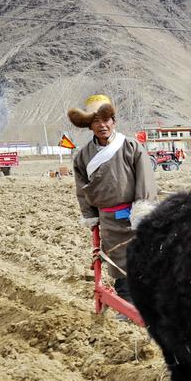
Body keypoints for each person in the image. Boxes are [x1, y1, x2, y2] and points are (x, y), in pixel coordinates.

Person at [68, 94, 158, 305]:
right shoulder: (82, 156)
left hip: (135, 217)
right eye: (96, 121)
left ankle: (148, 301)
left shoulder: (131, 147)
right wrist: (90, 216)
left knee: (143, 259)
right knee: (118, 264)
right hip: (108, 220)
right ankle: (125, 304)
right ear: (90, 126)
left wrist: (142, 208)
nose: (102, 125)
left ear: (113, 121)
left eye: (106, 120)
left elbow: (145, 178)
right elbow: (81, 189)